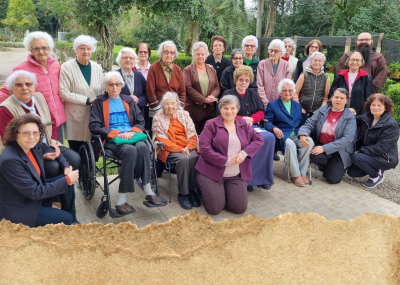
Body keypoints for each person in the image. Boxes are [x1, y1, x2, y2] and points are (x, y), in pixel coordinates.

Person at [89, 71, 161, 214]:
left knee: (142, 147)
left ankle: (147, 188)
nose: (114, 87)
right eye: (111, 84)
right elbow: (94, 126)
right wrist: (116, 133)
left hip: (131, 136)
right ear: (106, 86)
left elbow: (141, 121)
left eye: (117, 84)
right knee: (130, 150)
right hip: (112, 139)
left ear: (121, 85)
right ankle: (121, 198)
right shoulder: (100, 101)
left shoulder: (128, 100)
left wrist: (133, 131)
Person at [0, 114, 79, 227]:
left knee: (66, 182)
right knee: (65, 216)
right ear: (15, 134)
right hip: (21, 207)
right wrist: (67, 179)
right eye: (25, 133)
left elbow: (55, 150)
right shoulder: (10, 160)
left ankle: (71, 222)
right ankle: (67, 221)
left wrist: (66, 167)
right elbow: (35, 192)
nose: (31, 137)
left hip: (33, 195)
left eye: (35, 133)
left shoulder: (33, 146)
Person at [0, 71, 80, 178]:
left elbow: (52, 121)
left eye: (28, 84)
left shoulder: (39, 98)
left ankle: (64, 189)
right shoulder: (5, 109)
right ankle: (48, 191)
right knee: (53, 167)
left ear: (34, 86)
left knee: (74, 158)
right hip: (24, 152)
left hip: (47, 144)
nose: (24, 88)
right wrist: (40, 154)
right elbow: (9, 140)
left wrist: (53, 142)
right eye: (19, 85)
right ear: (11, 89)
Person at [195, 95, 263, 215]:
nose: (229, 111)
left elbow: (258, 139)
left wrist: (244, 153)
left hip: (236, 175)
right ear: (220, 109)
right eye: (225, 108)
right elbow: (205, 149)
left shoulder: (242, 123)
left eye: (232, 108)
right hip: (212, 173)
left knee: (239, 208)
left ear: (237, 109)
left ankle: (222, 193)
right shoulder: (211, 124)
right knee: (215, 209)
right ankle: (205, 191)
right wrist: (226, 161)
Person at [0, 31, 66, 142]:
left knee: (57, 149)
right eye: (36, 48)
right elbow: (6, 91)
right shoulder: (21, 69)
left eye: (44, 47)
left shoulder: (56, 66)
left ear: (50, 48)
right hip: (34, 119)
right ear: (30, 50)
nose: (41, 51)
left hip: (56, 119)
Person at [218, 65, 275, 191]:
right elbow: (222, 112)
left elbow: (261, 111)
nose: (244, 82)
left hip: (253, 126)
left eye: (246, 80)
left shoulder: (253, 94)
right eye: (241, 79)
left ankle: (264, 178)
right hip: (234, 126)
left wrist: (253, 119)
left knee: (269, 137)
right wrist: (242, 119)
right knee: (250, 141)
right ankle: (250, 180)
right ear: (236, 80)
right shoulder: (228, 94)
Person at [298, 88, 356, 184]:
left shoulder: (350, 117)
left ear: (346, 101)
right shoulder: (323, 109)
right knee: (313, 155)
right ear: (332, 98)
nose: (338, 100)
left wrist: (324, 148)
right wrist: (303, 134)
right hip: (321, 145)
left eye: (342, 98)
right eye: (336, 97)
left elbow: (347, 139)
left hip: (339, 151)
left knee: (333, 180)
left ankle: (335, 167)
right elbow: (310, 123)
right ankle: (327, 167)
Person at [152, 92, 199, 210]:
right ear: (163, 105)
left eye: (173, 103)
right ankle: (183, 194)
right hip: (169, 149)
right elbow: (160, 137)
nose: (170, 106)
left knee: (194, 157)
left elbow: (192, 133)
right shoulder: (158, 117)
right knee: (183, 159)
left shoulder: (184, 114)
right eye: (167, 104)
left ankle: (192, 190)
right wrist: (179, 149)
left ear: (177, 104)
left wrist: (188, 147)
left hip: (187, 147)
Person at [59, 35, 104, 154]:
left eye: (88, 48)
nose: (86, 51)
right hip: (75, 117)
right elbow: (63, 92)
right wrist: (88, 99)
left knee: (92, 154)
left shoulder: (97, 68)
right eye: (82, 48)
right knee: (77, 153)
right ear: (76, 50)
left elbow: (102, 90)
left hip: (94, 117)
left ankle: (88, 173)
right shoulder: (67, 67)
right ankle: (78, 173)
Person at [265, 79, 313, 187]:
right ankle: (296, 175)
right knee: (290, 144)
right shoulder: (273, 105)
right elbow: (267, 121)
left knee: (309, 141)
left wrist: (302, 135)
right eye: (284, 90)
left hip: (296, 134)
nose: (287, 93)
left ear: (294, 92)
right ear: (280, 92)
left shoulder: (297, 105)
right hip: (281, 136)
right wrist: (274, 128)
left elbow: (301, 123)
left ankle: (302, 172)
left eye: (290, 90)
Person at [347, 94, 399, 188]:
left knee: (356, 157)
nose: (376, 108)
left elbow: (381, 148)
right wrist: (346, 111)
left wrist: (361, 150)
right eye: (373, 105)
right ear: (369, 106)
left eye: (379, 105)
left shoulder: (391, 125)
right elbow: (352, 120)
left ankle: (376, 175)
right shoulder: (367, 117)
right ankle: (376, 168)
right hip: (370, 153)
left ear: (385, 107)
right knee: (352, 172)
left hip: (384, 157)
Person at [184, 41, 220, 133]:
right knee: (193, 137)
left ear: (206, 55)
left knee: (208, 137)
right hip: (193, 110)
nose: (200, 56)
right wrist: (204, 99)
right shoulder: (188, 70)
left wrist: (212, 96)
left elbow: (217, 87)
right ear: (194, 55)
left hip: (209, 110)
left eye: (202, 54)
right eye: (197, 54)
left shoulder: (212, 70)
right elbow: (187, 88)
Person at [146, 40, 186, 116]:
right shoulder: (153, 68)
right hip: (157, 111)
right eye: (166, 52)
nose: (169, 55)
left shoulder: (178, 69)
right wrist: (160, 111)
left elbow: (182, 92)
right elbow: (150, 92)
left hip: (175, 111)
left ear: (175, 55)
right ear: (161, 53)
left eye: (172, 52)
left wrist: (179, 109)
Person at [294, 52, 330, 121]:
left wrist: (320, 109)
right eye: (315, 60)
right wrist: (299, 107)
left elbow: (326, 97)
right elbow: (295, 93)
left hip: (317, 112)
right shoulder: (304, 75)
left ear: (323, 63)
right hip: (302, 111)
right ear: (310, 61)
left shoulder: (326, 77)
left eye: (320, 61)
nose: (317, 62)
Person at [257, 39, 291, 107]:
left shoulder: (286, 65)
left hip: (281, 104)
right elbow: (259, 85)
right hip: (263, 104)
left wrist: (279, 102)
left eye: (276, 51)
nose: (272, 53)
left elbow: (287, 86)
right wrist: (266, 102)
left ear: (281, 53)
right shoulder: (262, 64)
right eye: (271, 50)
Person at [115, 47, 147, 115]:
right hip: (120, 113)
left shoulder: (139, 75)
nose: (128, 60)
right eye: (125, 57)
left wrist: (138, 100)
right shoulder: (114, 76)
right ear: (120, 60)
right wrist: (126, 98)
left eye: (131, 58)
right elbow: (110, 95)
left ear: (134, 60)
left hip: (138, 114)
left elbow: (146, 93)